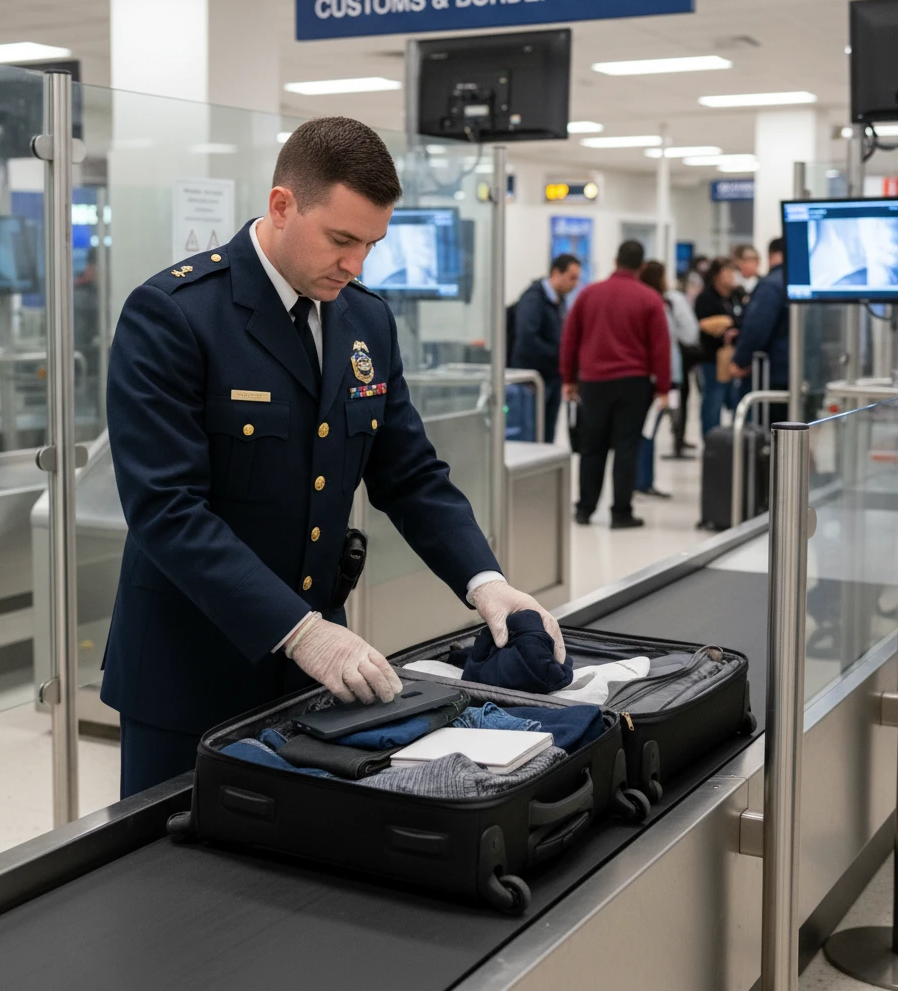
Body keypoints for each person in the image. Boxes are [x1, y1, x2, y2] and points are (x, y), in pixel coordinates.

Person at [103, 117, 565, 798]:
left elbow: (409, 474)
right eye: (342, 240)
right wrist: (298, 631)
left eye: (371, 245)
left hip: (316, 672)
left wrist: (485, 580)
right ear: (282, 205)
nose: (356, 265)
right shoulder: (176, 314)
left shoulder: (365, 320)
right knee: (172, 855)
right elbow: (166, 510)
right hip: (188, 671)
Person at [560, 240, 671, 529]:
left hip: (593, 383)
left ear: (614, 260)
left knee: (592, 446)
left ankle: (585, 509)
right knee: (626, 447)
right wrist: (663, 387)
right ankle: (621, 513)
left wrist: (569, 378)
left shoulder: (588, 294)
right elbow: (660, 347)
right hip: (633, 384)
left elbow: (570, 339)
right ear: (641, 266)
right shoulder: (650, 299)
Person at [635, 260, 700, 494]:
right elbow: (690, 333)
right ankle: (643, 481)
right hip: (666, 376)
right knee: (649, 429)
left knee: (642, 428)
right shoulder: (666, 303)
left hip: (641, 375)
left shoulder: (638, 302)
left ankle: (640, 480)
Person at [510, 254, 582, 443]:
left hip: (552, 377)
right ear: (556, 273)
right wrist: (559, 355)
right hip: (532, 381)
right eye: (572, 278)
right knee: (531, 435)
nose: (575, 284)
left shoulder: (559, 301)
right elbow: (527, 340)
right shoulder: (533, 299)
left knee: (547, 435)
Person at [730, 238, 789, 423]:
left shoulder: (770, 285)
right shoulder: (804, 283)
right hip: (802, 373)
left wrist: (740, 360)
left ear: (770, 256)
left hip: (771, 374)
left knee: (763, 430)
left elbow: (756, 328)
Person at [694, 257, 745, 437]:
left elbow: (745, 319)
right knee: (713, 401)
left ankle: (734, 441)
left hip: (735, 359)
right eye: (727, 272)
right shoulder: (706, 298)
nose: (732, 276)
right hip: (712, 359)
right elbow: (705, 325)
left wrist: (730, 323)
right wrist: (726, 324)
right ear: (716, 275)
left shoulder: (737, 296)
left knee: (736, 401)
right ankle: (710, 440)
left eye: (733, 271)